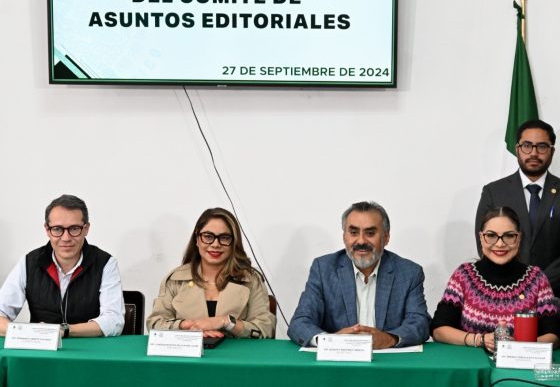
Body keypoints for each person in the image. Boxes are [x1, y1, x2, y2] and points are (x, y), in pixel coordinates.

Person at [287, 201, 430, 349]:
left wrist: (389, 339)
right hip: (339, 364)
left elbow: (420, 323)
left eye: (370, 233)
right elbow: (300, 322)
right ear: (344, 237)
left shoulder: (409, 273)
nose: (361, 241)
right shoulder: (324, 269)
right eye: (354, 233)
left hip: (388, 364)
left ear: (386, 238)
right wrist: (330, 341)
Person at [432, 206, 559, 350]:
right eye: (491, 235)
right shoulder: (464, 275)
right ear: (481, 237)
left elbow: (554, 335)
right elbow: (439, 330)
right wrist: (480, 339)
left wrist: (518, 347)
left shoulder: (537, 278)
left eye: (509, 236)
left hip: (521, 368)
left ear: (519, 238)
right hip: (472, 366)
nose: (500, 244)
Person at [0, 195, 125, 337]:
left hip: (89, 351)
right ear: (47, 230)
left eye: (74, 229)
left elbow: (114, 321)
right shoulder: (29, 262)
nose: (66, 238)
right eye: (58, 229)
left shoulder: (105, 263)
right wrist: (29, 332)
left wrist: (63, 330)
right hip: (41, 351)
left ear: (86, 229)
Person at [146, 207, 276, 338]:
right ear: (197, 239)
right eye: (208, 236)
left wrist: (225, 322)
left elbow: (265, 329)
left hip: (236, 356)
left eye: (224, 238)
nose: (215, 244)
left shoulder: (251, 280)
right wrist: (188, 325)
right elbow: (155, 324)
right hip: (186, 356)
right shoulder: (175, 279)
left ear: (233, 243)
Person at [475, 120, 560, 296]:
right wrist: (514, 282)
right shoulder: (494, 192)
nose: (534, 153)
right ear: (517, 149)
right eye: (527, 145)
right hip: (505, 293)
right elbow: (486, 242)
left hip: (555, 294)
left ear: (552, 151)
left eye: (542, 146)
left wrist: (539, 283)